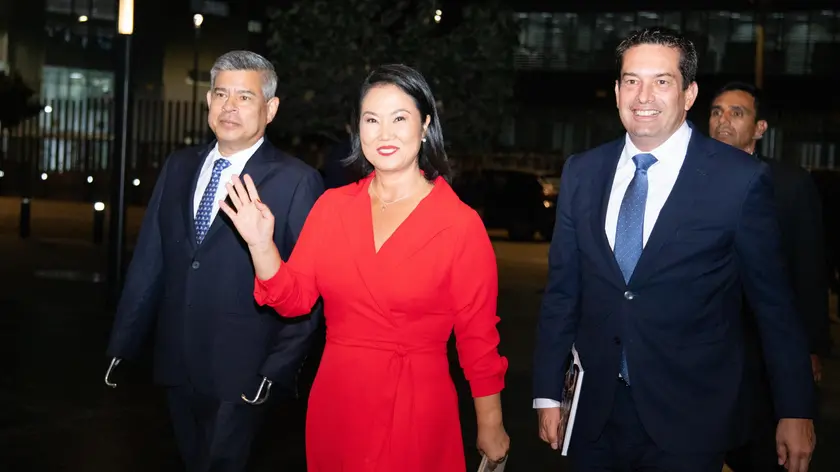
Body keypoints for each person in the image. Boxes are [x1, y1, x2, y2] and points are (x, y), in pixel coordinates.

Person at [532, 27, 816, 472]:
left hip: (691, 416)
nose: (643, 96)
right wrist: (548, 393)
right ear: (617, 91)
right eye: (631, 81)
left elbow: (774, 303)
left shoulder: (738, 180)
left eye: (661, 81)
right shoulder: (582, 173)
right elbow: (563, 292)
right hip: (594, 414)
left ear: (689, 94)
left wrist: (795, 408)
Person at [218, 63, 510, 472]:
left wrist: (490, 424)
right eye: (372, 120)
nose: (384, 133)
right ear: (358, 129)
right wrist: (261, 245)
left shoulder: (459, 224)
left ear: (425, 125)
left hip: (416, 407)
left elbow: (478, 338)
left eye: (399, 118)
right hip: (337, 403)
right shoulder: (333, 208)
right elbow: (294, 300)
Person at [105, 50, 324, 472]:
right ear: (208, 101)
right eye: (221, 94)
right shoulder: (179, 166)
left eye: (245, 96)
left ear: (270, 109)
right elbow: (150, 261)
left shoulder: (297, 181)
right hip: (176, 361)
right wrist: (123, 343)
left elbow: (307, 289)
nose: (229, 106)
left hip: (244, 370)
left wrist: (276, 370)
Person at [708, 81, 830, 472]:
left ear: (760, 128)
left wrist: (809, 348)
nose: (724, 121)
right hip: (701, 354)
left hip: (763, 354)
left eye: (737, 113)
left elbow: (808, 269)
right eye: (716, 111)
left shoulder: (790, 185)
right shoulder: (687, 180)